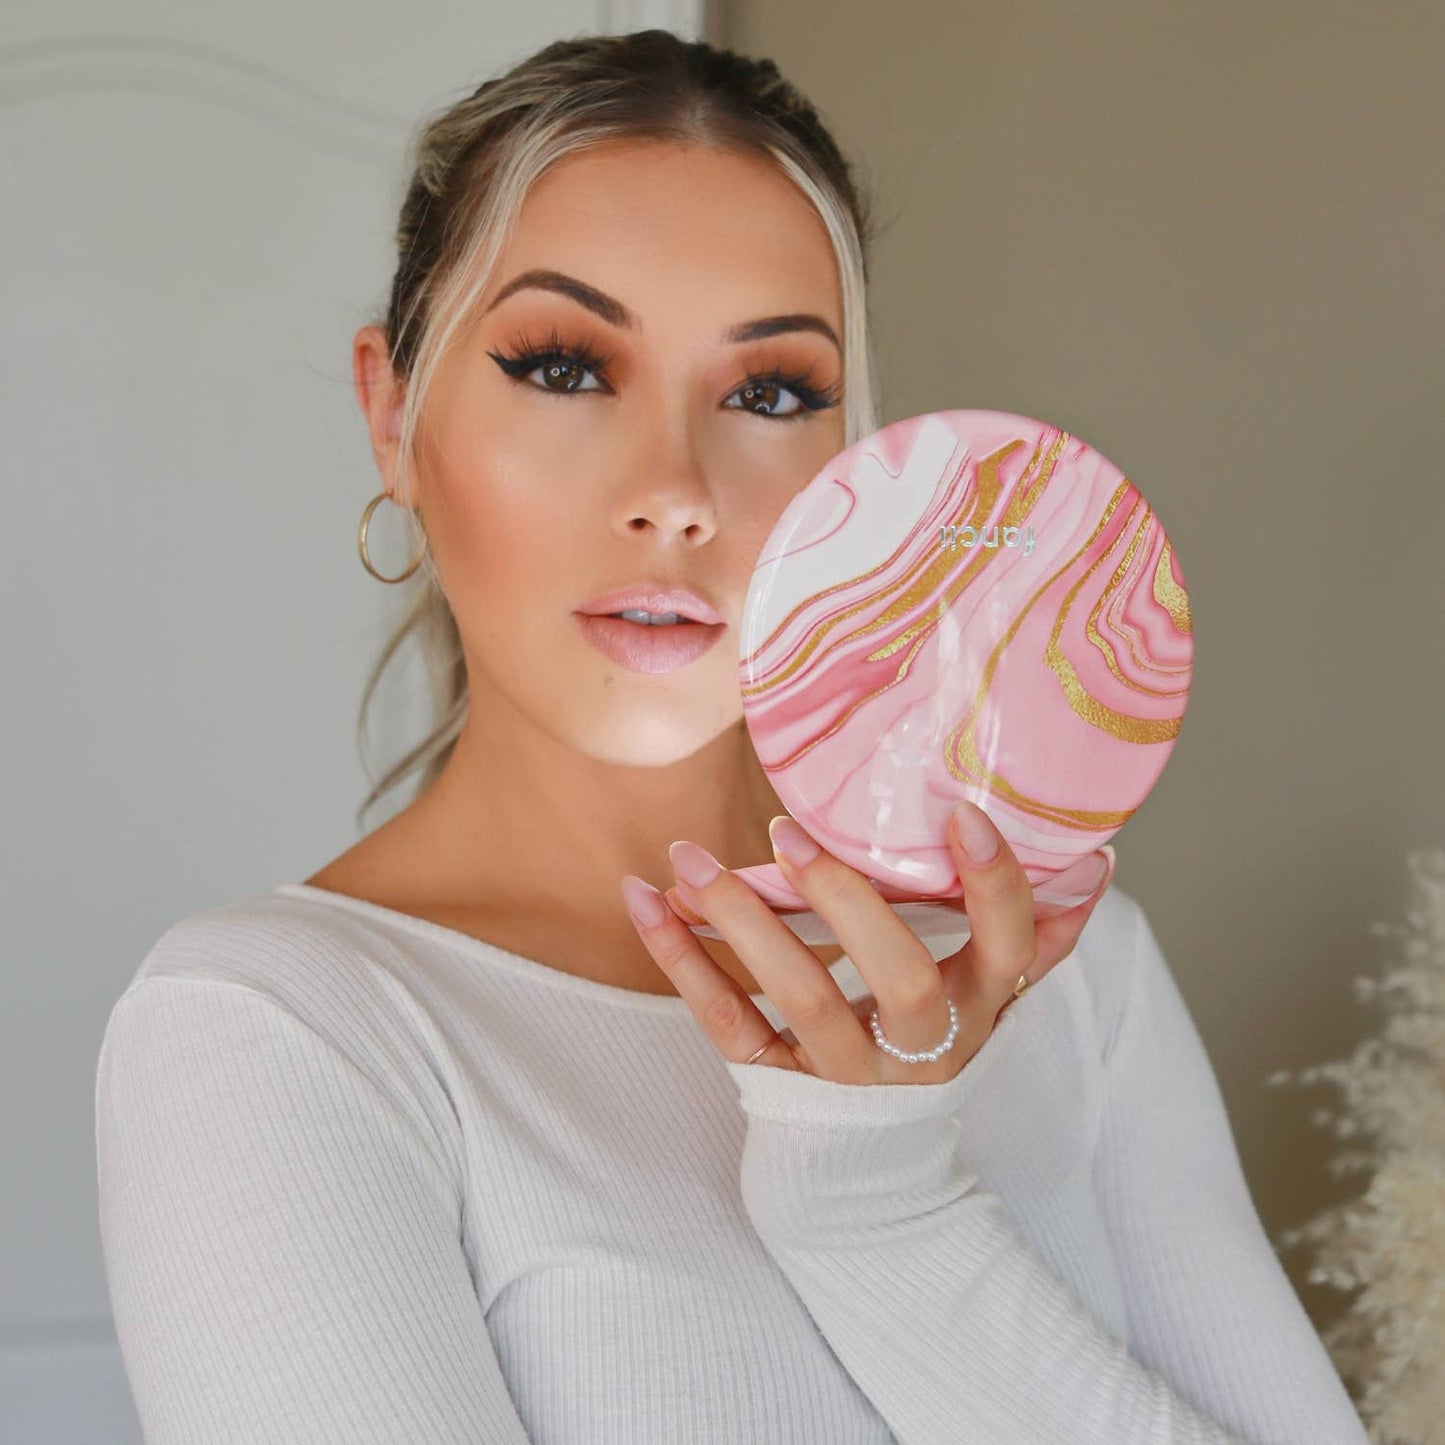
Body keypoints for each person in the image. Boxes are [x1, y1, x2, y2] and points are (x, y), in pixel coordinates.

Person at [94, 29, 1370, 1445]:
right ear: (393, 418)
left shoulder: (1066, 970)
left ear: (859, 463)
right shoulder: (277, 1031)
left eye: (768, 394)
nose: (677, 489)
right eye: (565, 367)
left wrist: (880, 1210)